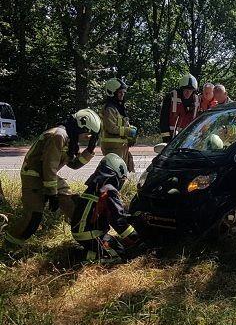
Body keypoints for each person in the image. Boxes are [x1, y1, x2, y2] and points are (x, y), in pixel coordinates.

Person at [4, 109, 101, 247]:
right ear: (81, 126)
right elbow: (49, 166)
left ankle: (88, 237)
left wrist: (90, 151)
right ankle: (10, 244)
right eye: (89, 134)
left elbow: (74, 164)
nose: (88, 138)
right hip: (34, 176)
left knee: (73, 204)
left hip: (48, 176)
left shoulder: (70, 138)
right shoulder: (59, 135)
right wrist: (52, 193)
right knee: (33, 218)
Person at [71, 153, 144, 264]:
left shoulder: (95, 186)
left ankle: (86, 252)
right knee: (120, 254)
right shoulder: (108, 190)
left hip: (81, 232)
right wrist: (135, 237)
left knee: (113, 243)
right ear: (116, 175)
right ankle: (82, 257)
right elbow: (117, 220)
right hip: (90, 233)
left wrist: (129, 216)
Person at [100, 78, 137, 172]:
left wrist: (130, 136)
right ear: (112, 92)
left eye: (123, 93)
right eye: (120, 92)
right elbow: (111, 128)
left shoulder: (118, 108)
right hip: (112, 148)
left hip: (120, 147)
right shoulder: (109, 109)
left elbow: (123, 125)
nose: (122, 95)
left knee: (123, 172)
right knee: (114, 173)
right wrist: (129, 131)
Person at [159, 74, 199, 142]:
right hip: (171, 137)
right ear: (181, 89)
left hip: (188, 139)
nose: (188, 92)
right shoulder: (170, 97)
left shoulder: (196, 101)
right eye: (186, 89)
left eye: (191, 90)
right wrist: (166, 138)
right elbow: (163, 119)